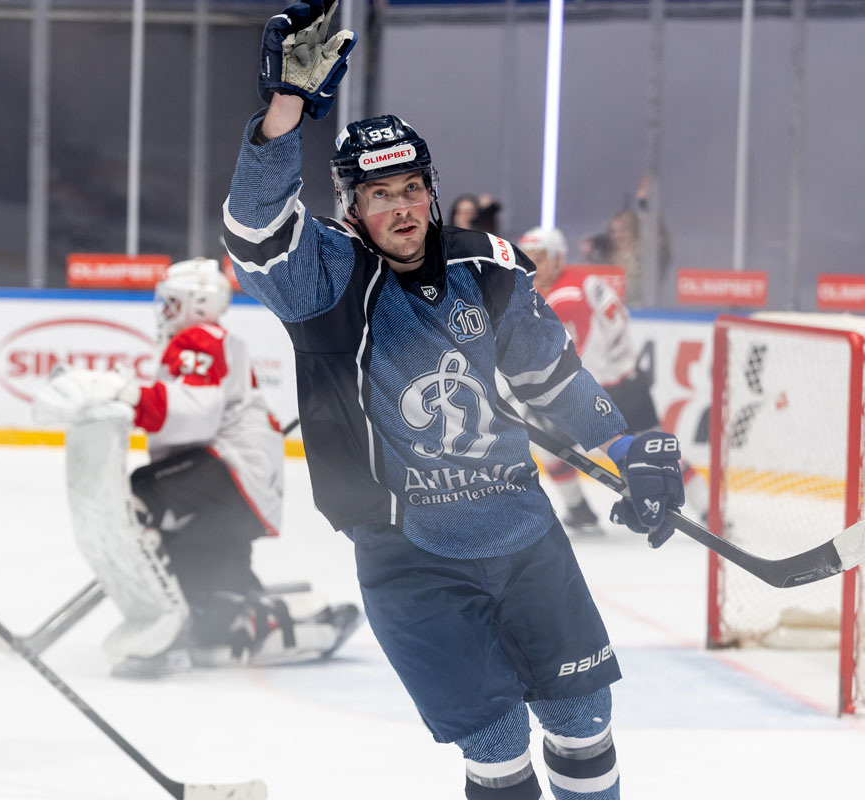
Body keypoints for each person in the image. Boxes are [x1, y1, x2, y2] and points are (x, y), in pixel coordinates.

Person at [221, 3, 686, 798]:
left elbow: (552, 377)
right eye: (380, 194)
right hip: (410, 554)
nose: (401, 208)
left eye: (412, 188)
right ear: (351, 206)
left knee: (583, 717)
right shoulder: (323, 278)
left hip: (523, 530)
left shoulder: (487, 267)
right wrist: (285, 114)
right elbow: (254, 229)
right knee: (496, 742)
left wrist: (621, 445)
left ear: (431, 191)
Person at [32, 257, 363, 678]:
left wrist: (126, 392)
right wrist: (128, 395)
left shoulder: (200, 338)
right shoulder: (200, 342)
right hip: (237, 484)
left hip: (232, 471)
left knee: (142, 497)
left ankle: (162, 629)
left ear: (197, 304)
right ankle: (256, 613)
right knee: (212, 622)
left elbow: (194, 412)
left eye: (172, 302)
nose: (164, 310)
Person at [518, 226, 709, 535]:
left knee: (548, 445)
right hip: (630, 384)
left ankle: (579, 511)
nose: (531, 267)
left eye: (538, 259)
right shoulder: (583, 282)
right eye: (526, 259)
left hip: (594, 391)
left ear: (557, 260)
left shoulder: (562, 298)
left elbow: (574, 357)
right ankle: (712, 511)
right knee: (656, 453)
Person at [581, 176, 671, 306]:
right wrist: (588, 255)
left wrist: (645, 205)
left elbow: (660, 240)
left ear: (634, 231)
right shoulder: (605, 259)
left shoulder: (644, 255)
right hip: (609, 312)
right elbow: (588, 285)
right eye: (613, 231)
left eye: (623, 230)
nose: (617, 236)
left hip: (640, 312)